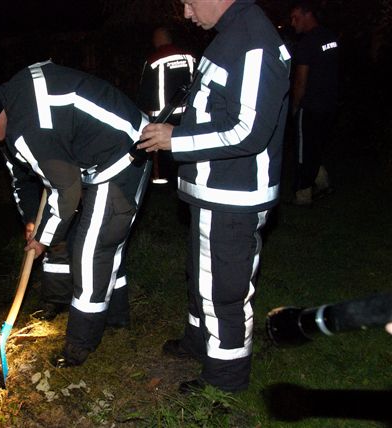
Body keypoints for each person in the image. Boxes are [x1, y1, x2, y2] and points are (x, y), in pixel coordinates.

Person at [0, 60, 151, 367]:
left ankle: (81, 343)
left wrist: (45, 237)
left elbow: (68, 190)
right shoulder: (11, 111)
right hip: (88, 160)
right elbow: (22, 179)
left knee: (92, 250)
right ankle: (103, 314)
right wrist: (34, 221)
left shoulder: (28, 128)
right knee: (73, 234)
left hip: (124, 150)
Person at [138, 0, 291, 392]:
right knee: (202, 277)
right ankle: (198, 341)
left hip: (232, 194)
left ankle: (225, 379)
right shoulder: (229, 36)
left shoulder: (254, 43)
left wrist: (177, 139)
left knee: (224, 292)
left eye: (189, 2)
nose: (186, 14)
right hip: (210, 189)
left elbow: (249, 131)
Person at [289, 0, 339, 206]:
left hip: (309, 106)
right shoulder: (331, 37)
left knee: (304, 150)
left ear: (307, 14)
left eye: (295, 17)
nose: (292, 23)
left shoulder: (307, 43)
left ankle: (303, 193)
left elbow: (301, 79)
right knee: (316, 146)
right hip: (329, 104)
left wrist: (295, 106)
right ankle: (323, 182)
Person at [137, 26, 196, 185]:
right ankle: (184, 178)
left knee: (164, 149)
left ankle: (164, 179)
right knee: (184, 145)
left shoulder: (153, 59)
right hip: (187, 113)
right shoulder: (189, 57)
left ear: (158, 39)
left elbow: (145, 88)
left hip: (162, 115)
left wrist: (143, 110)